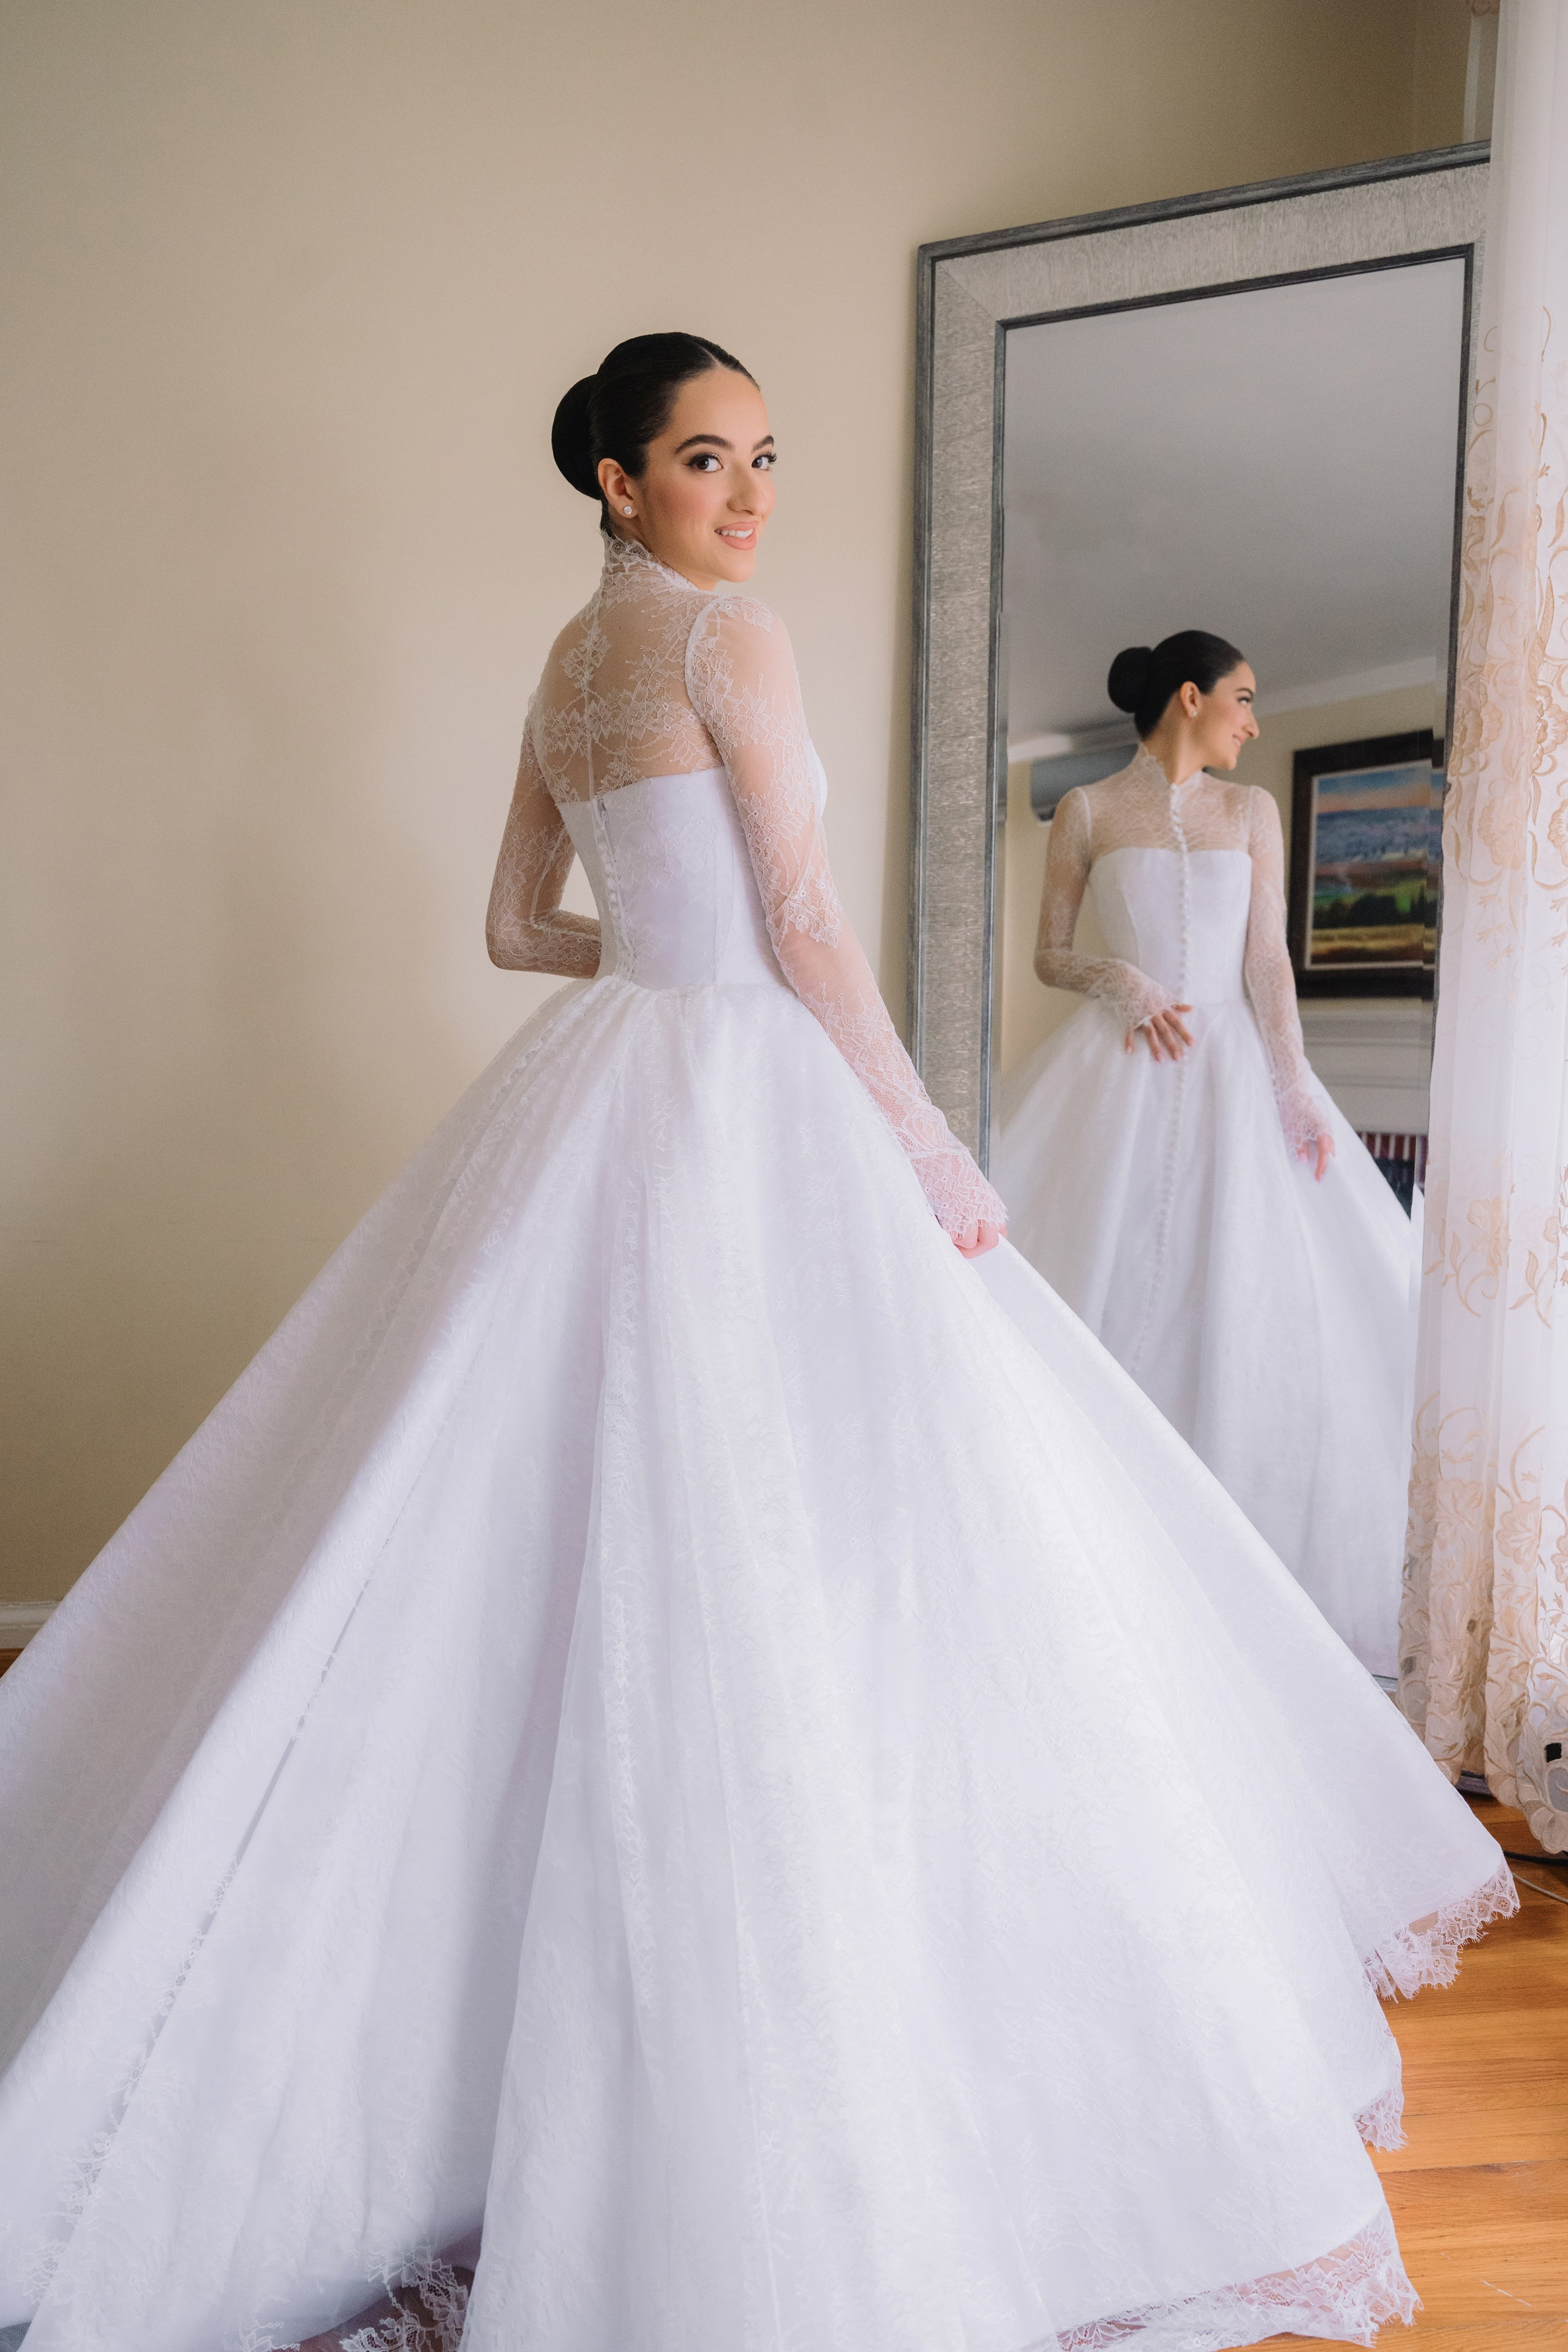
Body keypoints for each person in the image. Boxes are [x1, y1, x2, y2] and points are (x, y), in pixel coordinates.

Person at [0, 341, 1509, 2352]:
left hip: (602, 1078)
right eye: (709, 459)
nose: (751, 493)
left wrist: (648, 965)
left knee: (506, 1534)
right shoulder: (732, 641)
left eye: (766, 458)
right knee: (833, 1541)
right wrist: (917, 1144)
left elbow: (515, 930)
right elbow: (806, 926)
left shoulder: (565, 665)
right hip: (757, 1103)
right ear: (620, 480)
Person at [994, 636, 1423, 1678]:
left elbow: (1268, 959)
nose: (1254, 720)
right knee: (1095, 1284)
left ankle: (1233, 1572)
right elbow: (1048, 951)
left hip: (1236, 1066)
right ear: (1189, 698)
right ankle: (1094, 1560)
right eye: (1242, 699)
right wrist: (1119, 981)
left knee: (1241, 1295)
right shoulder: (1090, 811)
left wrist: (1293, 1083)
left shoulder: (1252, 813)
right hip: (1124, 1059)